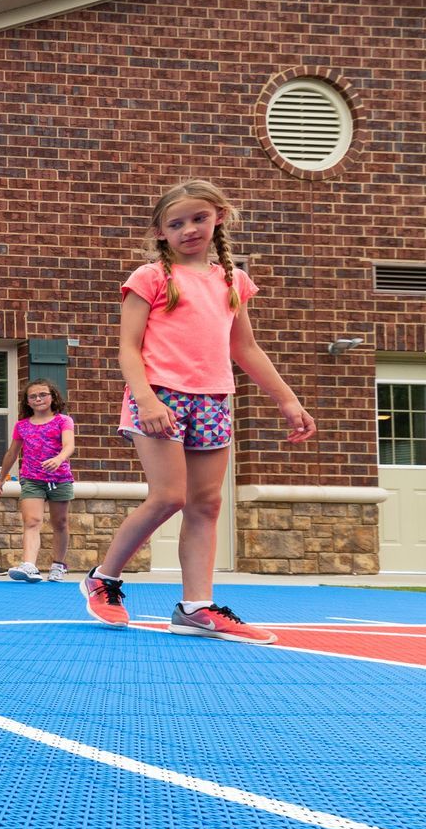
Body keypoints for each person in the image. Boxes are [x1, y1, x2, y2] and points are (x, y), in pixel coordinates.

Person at [81, 179, 315, 642]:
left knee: (207, 504)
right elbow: (127, 349)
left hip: (212, 399)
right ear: (161, 232)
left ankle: (195, 606)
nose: (189, 229)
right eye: (177, 223)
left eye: (199, 218)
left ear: (218, 218)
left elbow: (245, 348)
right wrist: (145, 399)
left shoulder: (231, 279)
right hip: (159, 396)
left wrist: (287, 400)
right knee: (169, 497)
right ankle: (103, 579)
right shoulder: (150, 277)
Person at [0, 379, 75, 582]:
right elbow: (12, 453)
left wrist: (58, 459)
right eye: (33, 396)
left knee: (60, 523)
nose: (38, 399)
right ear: (27, 402)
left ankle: (58, 565)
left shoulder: (63, 420)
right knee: (32, 521)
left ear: (52, 397)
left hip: (59, 478)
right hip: (31, 479)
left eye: (43, 394)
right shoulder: (22, 426)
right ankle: (29, 565)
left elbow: (69, 445)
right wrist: (1, 479)